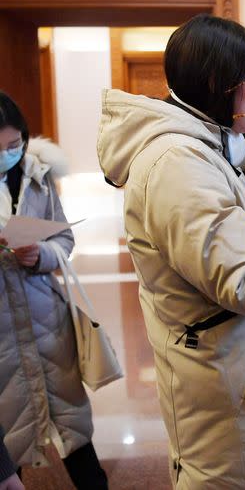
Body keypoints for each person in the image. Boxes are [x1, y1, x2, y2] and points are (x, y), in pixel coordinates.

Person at [96, 14, 245, 489]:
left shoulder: (203, 138)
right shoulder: (177, 165)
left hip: (237, 362)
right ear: (221, 86)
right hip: (225, 389)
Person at [0, 92, 108, 489]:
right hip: (3, 335)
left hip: (46, 321)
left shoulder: (37, 176)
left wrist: (41, 253)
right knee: (10, 432)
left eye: (14, 145)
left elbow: (63, 239)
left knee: (73, 425)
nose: (7, 155)